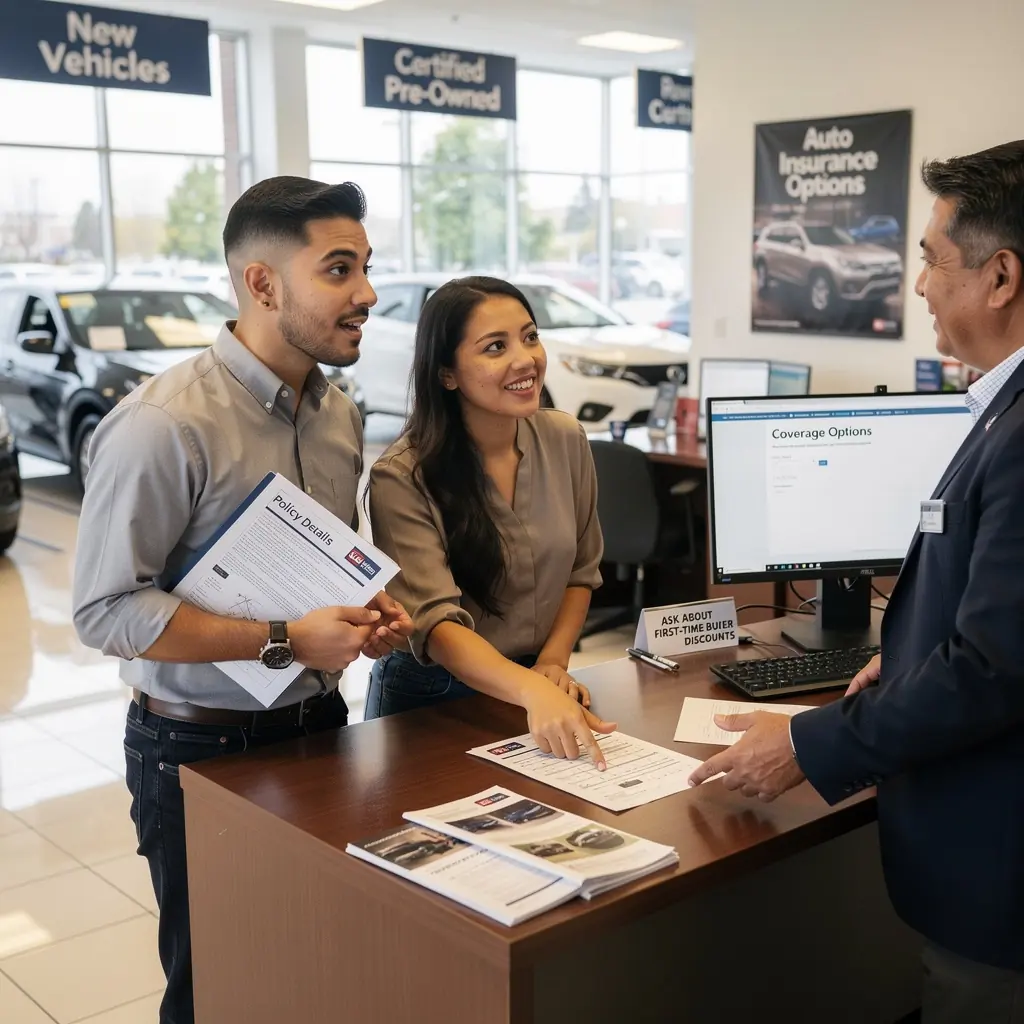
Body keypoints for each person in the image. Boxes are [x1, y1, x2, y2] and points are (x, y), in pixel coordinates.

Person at [689, 141, 1024, 1023]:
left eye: (931, 260)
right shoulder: (1001, 412)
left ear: (1000, 278)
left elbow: (994, 669)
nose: (918, 284)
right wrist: (906, 658)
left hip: (1003, 892)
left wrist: (808, 745)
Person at [72, 176, 413, 1024]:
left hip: (319, 733)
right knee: (218, 990)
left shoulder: (337, 414)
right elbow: (105, 612)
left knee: (314, 970)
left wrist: (361, 620)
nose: (368, 293)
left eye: (367, 267)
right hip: (197, 750)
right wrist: (286, 638)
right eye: (340, 270)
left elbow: (315, 574)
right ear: (262, 284)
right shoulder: (164, 425)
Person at [365, 276, 617, 767]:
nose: (525, 360)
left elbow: (581, 571)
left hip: (538, 681)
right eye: (495, 347)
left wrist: (551, 664)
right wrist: (531, 689)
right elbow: (435, 624)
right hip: (433, 695)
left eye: (530, 337)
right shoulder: (402, 474)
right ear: (447, 374)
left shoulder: (565, 438)